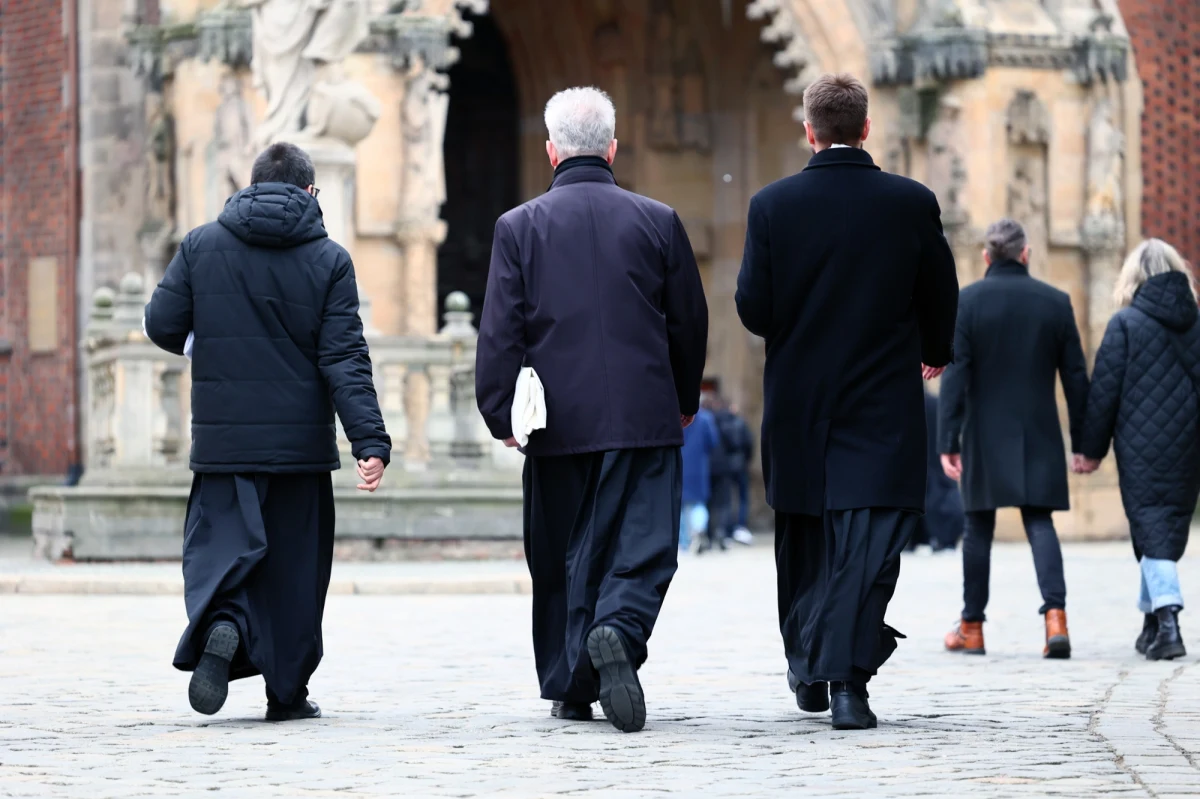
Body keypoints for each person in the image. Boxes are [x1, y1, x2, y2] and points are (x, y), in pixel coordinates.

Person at [475, 87, 708, 733]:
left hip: (557, 421)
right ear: (612, 148)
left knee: (560, 555)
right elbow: (688, 321)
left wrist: (500, 412)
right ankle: (618, 628)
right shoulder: (658, 219)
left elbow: (501, 330)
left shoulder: (518, 226)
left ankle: (571, 683)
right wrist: (684, 397)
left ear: (551, 151)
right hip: (643, 415)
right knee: (643, 543)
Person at [735, 73, 958, 730]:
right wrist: (935, 349)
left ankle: (812, 665)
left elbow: (753, 308)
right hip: (881, 398)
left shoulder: (772, 205)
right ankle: (844, 680)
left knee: (804, 540)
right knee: (871, 541)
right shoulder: (910, 202)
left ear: (810, 131)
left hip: (800, 400)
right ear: (865, 128)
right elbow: (940, 293)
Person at [143, 142, 390, 721]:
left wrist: (205, 341)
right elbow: (344, 359)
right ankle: (287, 693)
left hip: (224, 444)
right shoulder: (329, 260)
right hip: (300, 453)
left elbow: (160, 323)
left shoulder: (201, 245)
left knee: (220, 552)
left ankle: (225, 622)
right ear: (309, 191)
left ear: (250, 185)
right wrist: (370, 441)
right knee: (295, 573)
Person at [938, 219, 1089, 660]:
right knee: (1040, 522)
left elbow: (955, 377)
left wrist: (948, 440)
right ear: (1025, 254)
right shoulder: (1056, 302)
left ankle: (971, 628)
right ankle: (1055, 620)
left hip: (983, 433)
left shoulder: (967, 302)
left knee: (977, 527)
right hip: (1039, 431)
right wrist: (1084, 442)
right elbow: (1076, 379)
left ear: (987, 257)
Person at [1080, 239, 1200, 661]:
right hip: (1187, 445)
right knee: (1159, 529)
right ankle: (1151, 623)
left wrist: (1090, 450)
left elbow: (1104, 394)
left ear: (1132, 277)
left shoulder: (1125, 324)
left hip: (1140, 447)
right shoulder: (1196, 323)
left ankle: (1168, 624)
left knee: (1152, 528)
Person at [912, 388, 964, 552]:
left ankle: (916, 539)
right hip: (938, 462)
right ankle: (943, 539)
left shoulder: (907, 406)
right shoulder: (937, 403)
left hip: (919, 463)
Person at [681, 406, 720, 554]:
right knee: (698, 504)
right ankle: (698, 530)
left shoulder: (675, 416)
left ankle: (684, 542)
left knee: (680, 507)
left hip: (680, 465)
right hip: (699, 467)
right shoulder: (705, 418)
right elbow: (713, 441)